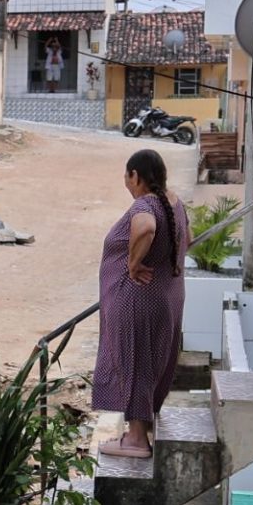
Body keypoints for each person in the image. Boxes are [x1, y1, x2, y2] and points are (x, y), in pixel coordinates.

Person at [92, 148, 189, 458]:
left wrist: (133, 264)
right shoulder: (174, 203)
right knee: (150, 364)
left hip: (139, 301)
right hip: (166, 298)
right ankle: (139, 429)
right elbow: (185, 240)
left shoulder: (145, 205)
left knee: (134, 364)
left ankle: (135, 440)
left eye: (126, 175)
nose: (125, 181)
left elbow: (146, 227)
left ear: (136, 176)